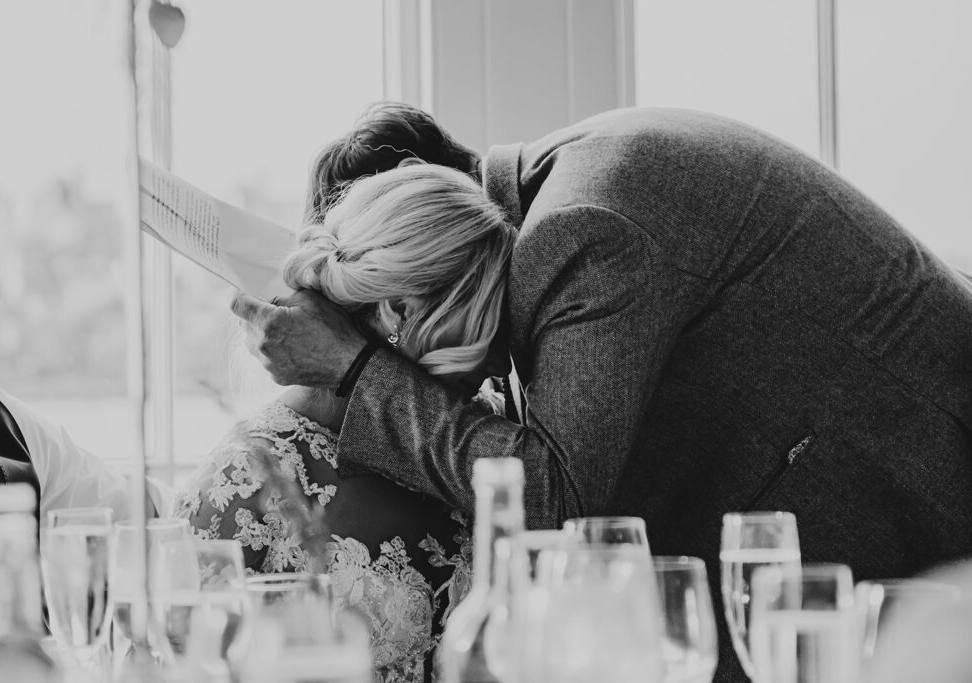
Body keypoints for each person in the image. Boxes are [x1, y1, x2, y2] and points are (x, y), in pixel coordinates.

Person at [232, 103, 972, 683]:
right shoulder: (567, 194)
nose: (475, 381)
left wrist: (360, 372)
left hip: (925, 468)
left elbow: (555, 497)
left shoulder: (580, 227)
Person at [0, 162, 516, 682]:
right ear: (399, 311)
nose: (498, 361)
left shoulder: (478, 439)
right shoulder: (244, 482)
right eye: (481, 323)